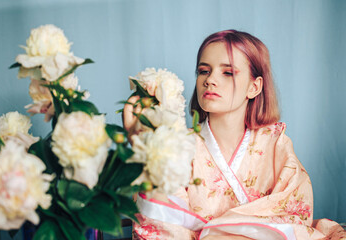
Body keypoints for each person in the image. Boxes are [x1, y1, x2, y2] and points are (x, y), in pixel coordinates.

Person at [123, 30, 346, 240]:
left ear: (254, 87)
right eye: (204, 70)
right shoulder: (176, 146)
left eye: (228, 72)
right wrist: (141, 140)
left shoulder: (275, 143)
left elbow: (294, 214)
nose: (210, 80)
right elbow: (160, 224)